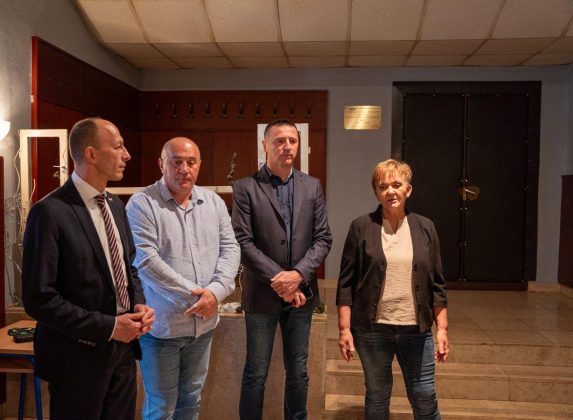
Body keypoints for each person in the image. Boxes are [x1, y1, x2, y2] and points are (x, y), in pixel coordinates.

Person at [22, 117, 155, 419]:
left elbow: (129, 268)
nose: (127, 155)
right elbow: (39, 299)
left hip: (123, 353)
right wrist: (109, 327)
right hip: (76, 358)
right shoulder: (49, 212)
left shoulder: (116, 206)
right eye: (118, 147)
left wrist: (138, 304)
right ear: (91, 154)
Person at [126, 137, 240, 419]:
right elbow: (146, 261)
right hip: (162, 328)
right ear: (161, 164)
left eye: (191, 162)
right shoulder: (142, 204)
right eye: (176, 162)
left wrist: (215, 292)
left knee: (191, 402)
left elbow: (231, 248)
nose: (184, 169)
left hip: (203, 328)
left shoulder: (213, 202)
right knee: (161, 407)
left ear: (199, 165)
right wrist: (198, 298)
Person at [232, 119, 332, 420]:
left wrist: (298, 276)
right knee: (256, 372)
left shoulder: (312, 185)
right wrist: (281, 280)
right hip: (262, 295)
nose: (287, 146)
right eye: (279, 140)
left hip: (302, 295)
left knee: (298, 371)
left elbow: (323, 238)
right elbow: (243, 241)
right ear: (265, 145)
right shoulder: (246, 187)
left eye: (292, 140)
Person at [337, 159, 449, 420]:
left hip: (416, 330)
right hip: (372, 330)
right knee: (377, 396)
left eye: (396, 185)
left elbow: (437, 283)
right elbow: (345, 283)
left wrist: (442, 329)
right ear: (376, 193)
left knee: (424, 395)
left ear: (408, 189)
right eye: (383, 186)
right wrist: (344, 329)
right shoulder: (361, 227)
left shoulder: (425, 227)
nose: (390, 191)